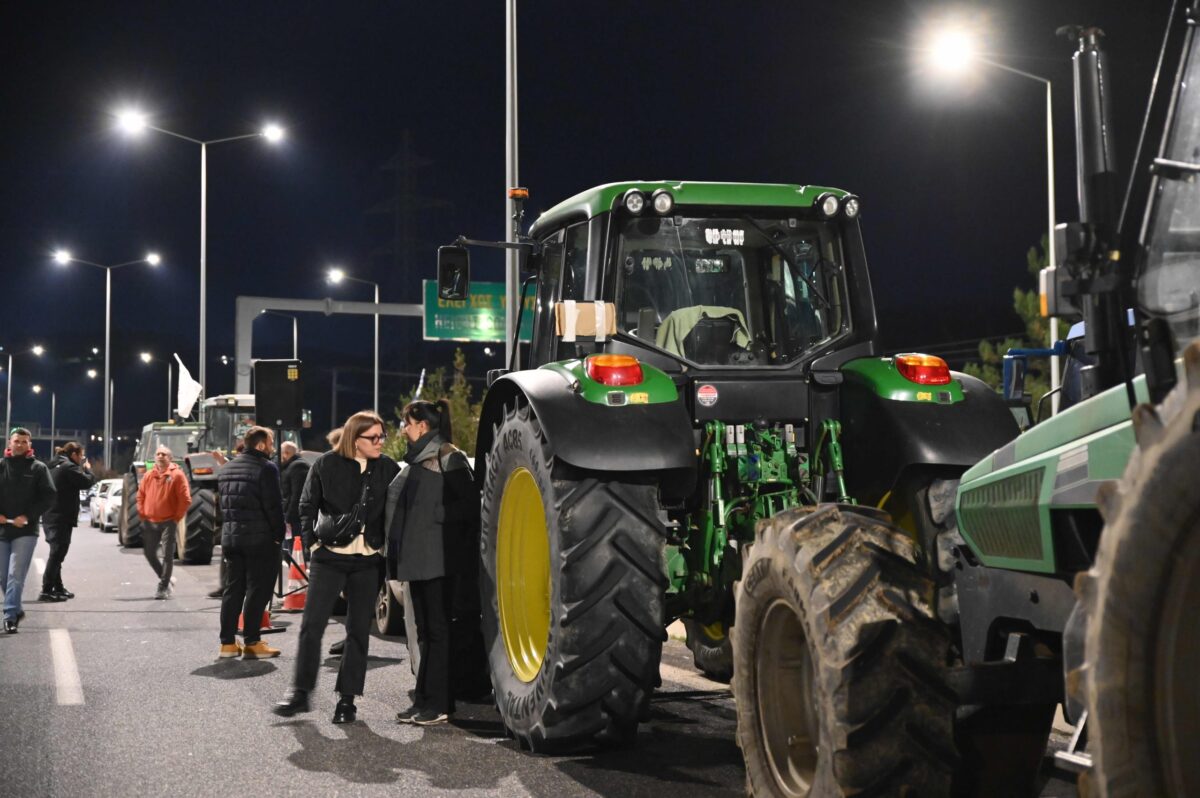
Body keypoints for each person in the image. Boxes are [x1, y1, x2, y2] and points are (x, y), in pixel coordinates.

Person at [274, 411, 399, 723]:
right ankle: (300, 692)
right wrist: (314, 544)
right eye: (374, 437)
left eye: (382, 436)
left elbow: (399, 511)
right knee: (311, 626)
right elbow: (306, 506)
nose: (381, 442)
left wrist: (385, 549)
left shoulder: (388, 468)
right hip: (329, 558)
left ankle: (347, 700)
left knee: (358, 631)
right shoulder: (326, 464)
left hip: (368, 562)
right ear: (354, 440)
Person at [388, 399, 482, 726]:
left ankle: (440, 704)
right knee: (426, 631)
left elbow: (471, 507)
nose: (403, 429)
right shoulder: (418, 460)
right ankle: (424, 700)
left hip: (439, 561)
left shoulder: (448, 456)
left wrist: (437, 516)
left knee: (439, 632)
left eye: (407, 423)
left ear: (423, 426)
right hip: (419, 560)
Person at [217, 426, 286, 659]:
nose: (273, 447)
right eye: (271, 442)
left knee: (233, 588)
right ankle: (252, 641)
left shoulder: (227, 468)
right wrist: (278, 535)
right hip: (260, 541)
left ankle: (227, 643)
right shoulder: (266, 468)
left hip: (231, 539)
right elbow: (274, 507)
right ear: (260, 445)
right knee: (258, 590)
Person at [0, 428, 56, 633]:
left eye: (24, 442)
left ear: (30, 445)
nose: (20, 445)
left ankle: (9, 617)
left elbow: (49, 496)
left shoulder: (38, 468)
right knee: (3, 577)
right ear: (10, 443)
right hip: (2, 530)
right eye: (17, 441)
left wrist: (28, 516)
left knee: (15, 574)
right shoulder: (1, 466)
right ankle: (16, 609)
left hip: (25, 531)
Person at [40, 441, 95, 601]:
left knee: (56, 553)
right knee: (57, 554)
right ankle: (46, 590)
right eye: (81, 456)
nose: (82, 459)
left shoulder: (52, 465)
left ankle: (57, 588)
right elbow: (86, 482)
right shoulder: (68, 467)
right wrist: (88, 470)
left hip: (50, 515)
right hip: (61, 517)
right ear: (74, 455)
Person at [135, 445, 191, 600]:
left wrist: (176, 518)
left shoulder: (177, 475)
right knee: (149, 553)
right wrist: (142, 514)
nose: (160, 456)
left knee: (167, 555)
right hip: (150, 521)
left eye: (164, 454)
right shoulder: (148, 475)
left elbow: (185, 499)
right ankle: (166, 579)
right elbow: (140, 496)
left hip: (168, 521)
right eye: (158, 454)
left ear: (170, 458)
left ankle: (163, 587)